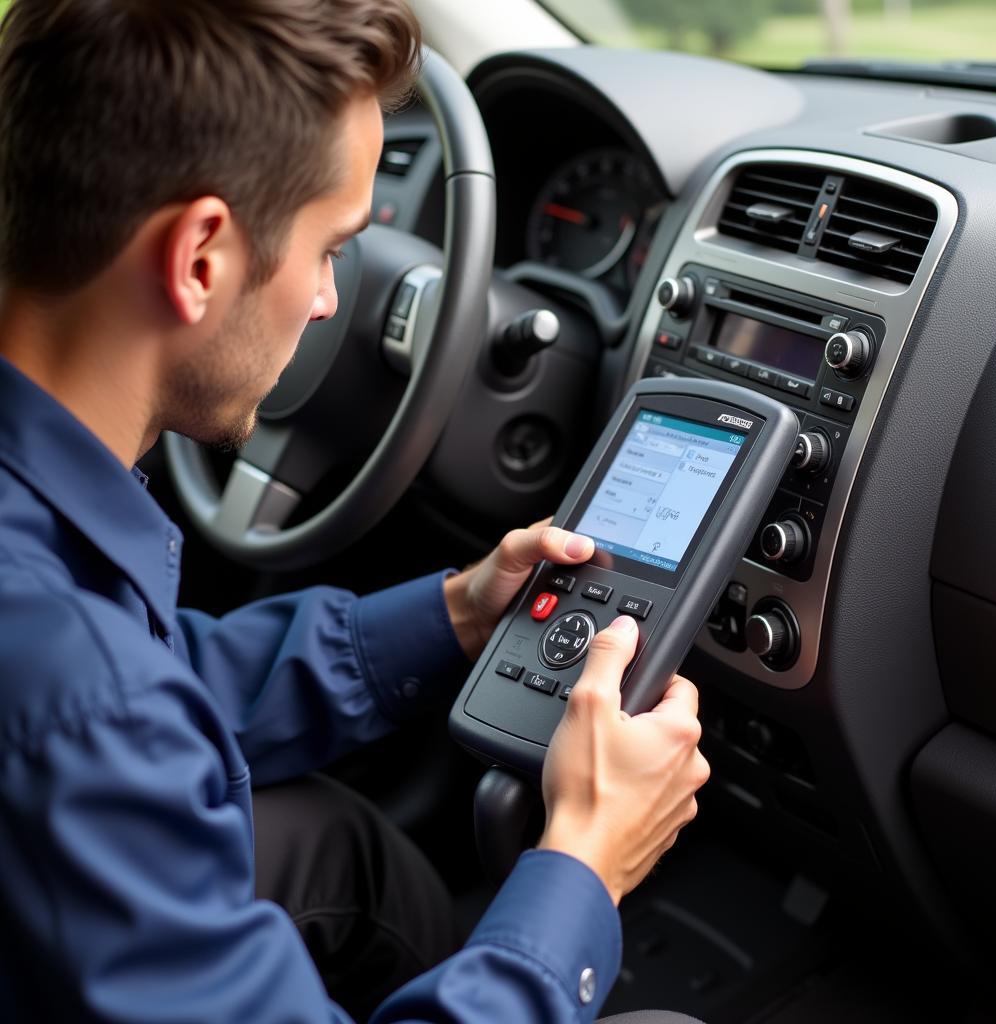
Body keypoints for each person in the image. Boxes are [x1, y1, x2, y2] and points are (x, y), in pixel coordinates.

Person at [0, 1, 709, 1022]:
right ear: (201, 257)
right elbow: (105, 711)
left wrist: (458, 609)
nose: (336, 299)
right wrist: (585, 859)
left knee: (341, 845)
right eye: (334, 247)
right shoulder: (80, 697)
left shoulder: (62, 625)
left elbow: (147, 690)